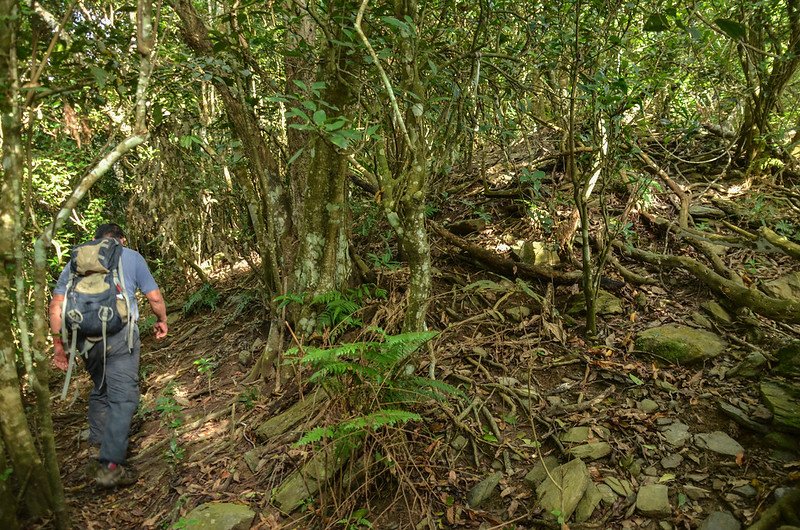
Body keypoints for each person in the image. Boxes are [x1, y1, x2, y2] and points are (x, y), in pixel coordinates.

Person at [50, 223, 168, 488]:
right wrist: (161, 320)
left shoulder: (77, 262)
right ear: (121, 239)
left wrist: (59, 345)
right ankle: (112, 465)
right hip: (120, 335)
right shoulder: (131, 256)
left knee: (101, 388)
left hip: (85, 339)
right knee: (124, 397)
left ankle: (97, 445)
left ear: (96, 241)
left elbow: (57, 305)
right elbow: (154, 296)